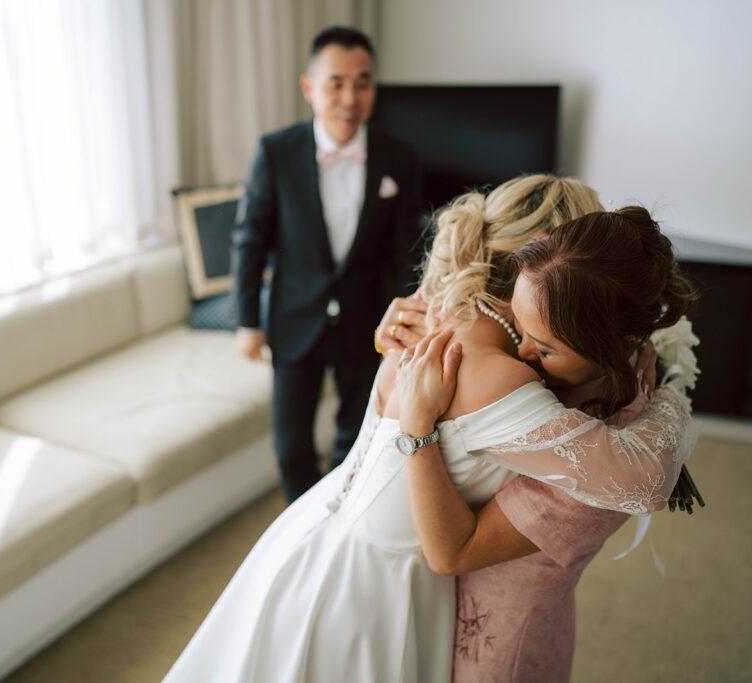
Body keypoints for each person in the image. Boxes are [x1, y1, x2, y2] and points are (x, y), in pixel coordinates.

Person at [162, 175, 695, 682]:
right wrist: (666, 384)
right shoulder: (496, 372)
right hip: (378, 586)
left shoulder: (432, 310)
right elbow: (641, 479)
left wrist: (634, 343)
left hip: (314, 536)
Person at [391, 204, 699, 682]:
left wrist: (417, 430)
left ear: (618, 343)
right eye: (520, 325)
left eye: (547, 348)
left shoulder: (602, 461)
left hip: (495, 652)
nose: (521, 352)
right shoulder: (542, 371)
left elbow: (451, 553)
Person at [234, 26, 423, 502]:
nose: (350, 97)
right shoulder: (275, 153)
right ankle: (299, 524)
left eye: (363, 82)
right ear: (309, 88)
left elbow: (406, 251)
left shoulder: (400, 157)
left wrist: (403, 317)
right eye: (336, 82)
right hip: (294, 318)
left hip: (367, 320)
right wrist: (246, 322)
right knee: (290, 444)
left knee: (356, 437)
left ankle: (339, 519)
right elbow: (249, 241)